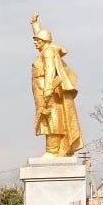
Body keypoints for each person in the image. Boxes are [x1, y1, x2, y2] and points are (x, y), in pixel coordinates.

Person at [29, 11, 84, 157]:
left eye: (37, 40)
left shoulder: (47, 52)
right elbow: (42, 38)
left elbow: (50, 71)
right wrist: (35, 25)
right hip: (41, 89)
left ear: (44, 41)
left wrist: (47, 89)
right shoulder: (46, 49)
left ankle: (52, 150)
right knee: (46, 117)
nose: (35, 42)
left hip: (47, 89)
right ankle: (54, 149)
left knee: (52, 117)